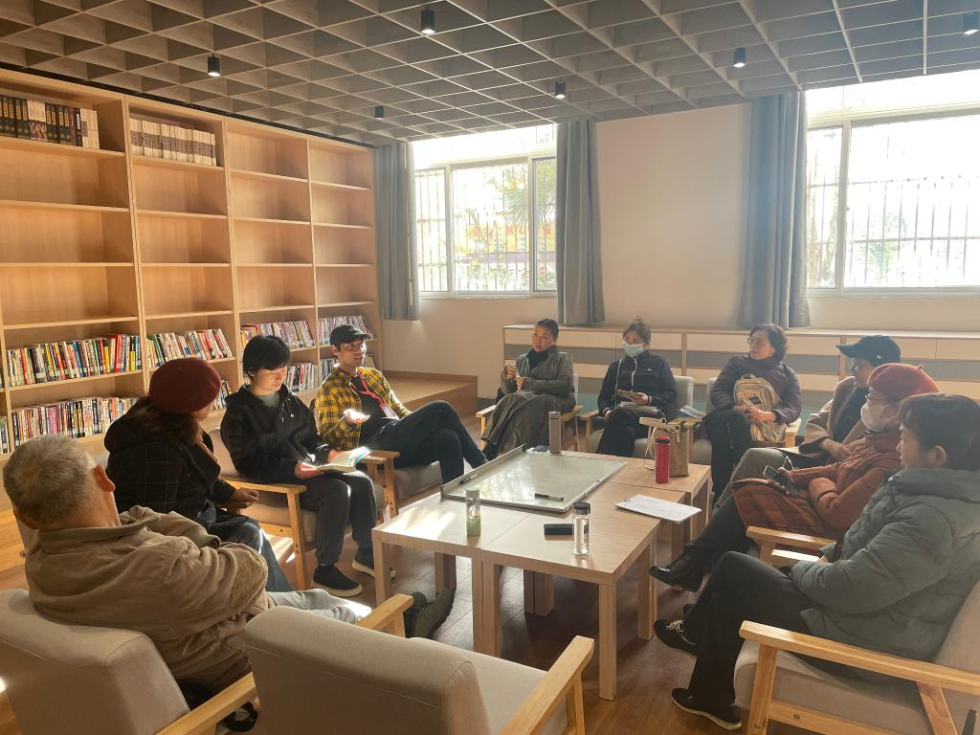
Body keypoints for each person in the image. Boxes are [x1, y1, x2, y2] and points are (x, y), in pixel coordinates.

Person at [7, 435, 456, 693]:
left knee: (317, 597)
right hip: (251, 655)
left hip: (205, 619)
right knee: (344, 614)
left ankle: (402, 621)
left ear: (25, 517)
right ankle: (406, 650)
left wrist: (149, 525)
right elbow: (248, 566)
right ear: (103, 479)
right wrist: (188, 535)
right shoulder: (156, 566)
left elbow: (144, 523)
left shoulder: (43, 565)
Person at [653, 393, 980, 731]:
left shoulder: (933, 520)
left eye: (906, 438)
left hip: (864, 639)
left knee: (735, 567)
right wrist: (828, 553)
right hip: (863, 618)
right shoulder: (931, 496)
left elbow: (854, 589)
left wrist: (804, 568)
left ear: (937, 456)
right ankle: (708, 694)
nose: (899, 444)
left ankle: (696, 644)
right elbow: (866, 539)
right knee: (731, 592)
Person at [652, 363, 939, 591]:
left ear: (898, 409)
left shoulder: (893, 457)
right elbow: (837, 467)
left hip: (827, 523)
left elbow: (839, 514)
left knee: (748, 494)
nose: (867, 403)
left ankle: (694, 564)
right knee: (750, 492)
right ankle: (700, 568)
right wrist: (795, 475)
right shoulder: (875, 437)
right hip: (822, 501)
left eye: (872, 399)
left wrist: (813, 482)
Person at [222, 336, 389, 599]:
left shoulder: (289, 400)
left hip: (308, 470)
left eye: (283, 368)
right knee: (336, 491)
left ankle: (366, 553)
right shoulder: (239, 413)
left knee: (360, 480)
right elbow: (248, 463)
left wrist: (328, 452)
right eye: (272, 370)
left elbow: (311, 438)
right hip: (277, 480)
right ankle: (325, 569)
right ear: (251, 371)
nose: (280, 376)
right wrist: (292, 469)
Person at [105, 358, 292, 593]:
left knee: (249, 531)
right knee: (248, 536)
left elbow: (195, 474)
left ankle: (276, 602)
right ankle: (274, 604)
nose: (212, 404)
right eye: (209, 400)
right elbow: (157, 520)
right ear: (192, 405)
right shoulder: (158, 449)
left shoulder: (170, 421)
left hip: (193, 516)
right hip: (171, 537)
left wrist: (229, 493)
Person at [713, 334, 902, 508]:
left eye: (859, 365)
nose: (852, 369)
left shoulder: (889, 411)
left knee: (758, 488)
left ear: (882, 369)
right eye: (853, 363)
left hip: (838, 471)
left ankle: (732, 515)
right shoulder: (847, 389)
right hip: (813, 456)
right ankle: (720, 508)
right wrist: (828, 444)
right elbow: (816, 421)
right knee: (755, 456)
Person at [315, 323, 486, 483]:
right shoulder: (329, 389)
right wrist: (347, 422)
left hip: (396, 437)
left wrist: (419, 426)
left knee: (448, 438)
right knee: (441, 408)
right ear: (335, 350)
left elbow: (398, 409)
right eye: (350, 347)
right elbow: (328, 438)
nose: (358, 351)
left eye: (361, 345)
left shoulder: (374, 375)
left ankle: (454, 495)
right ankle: (482, 465)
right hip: (370, 447)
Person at [704, 323, 801, 501]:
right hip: (725, 415)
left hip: (758, 425)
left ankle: (721, 494)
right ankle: (740, 489)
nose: (753, 345)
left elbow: (794, 407)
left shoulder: (787, 374)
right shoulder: (736, 363)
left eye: (759, 342)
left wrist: (769, 415)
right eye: (751, 340)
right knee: (736, 418)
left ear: (774, 347)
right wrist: (736, 407)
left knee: (730, 429)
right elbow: (718, 392)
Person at [481, 318, 575, 459]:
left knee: (527, 401)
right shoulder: (522, 359)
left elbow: (565, 386)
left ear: (554, 340)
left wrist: (532, 384)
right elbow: (509, 392)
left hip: (556, 398)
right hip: (525, 402)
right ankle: (511, 452)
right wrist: (507, 378)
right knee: (516, 401)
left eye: (544, 337)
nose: (538, 340)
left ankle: (494, 447)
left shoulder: (563, 358)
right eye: (535, 334)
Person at [595, 318, 678, 457]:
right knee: (626, 433)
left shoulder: (659, 364)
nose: (629, 344)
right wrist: (607, 411)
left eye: (635, 341)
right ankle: (623, 470)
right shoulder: (616, 367)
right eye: (627, 339)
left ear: (646, 345)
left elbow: (672, 393)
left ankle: (599, 460)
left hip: (650, 419)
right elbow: (603, 397)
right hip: (621, 418)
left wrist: (649, 399)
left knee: (619, 414)